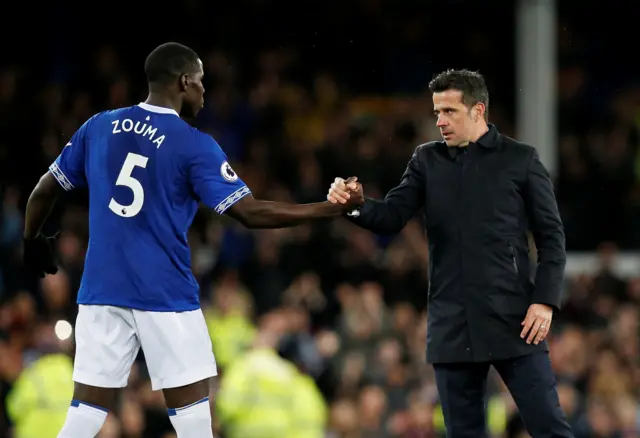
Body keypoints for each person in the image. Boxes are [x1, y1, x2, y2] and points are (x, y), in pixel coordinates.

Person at [22, 42, 362, 438]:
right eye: (201, 83)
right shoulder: (192, 143)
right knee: (195, 424)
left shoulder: (98, 126)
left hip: (101, 291)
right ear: (184, 82)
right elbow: (249, 213)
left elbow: (45, 189)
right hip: (164, 295)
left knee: (85, 415)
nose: (204, 92)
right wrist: (328, 209)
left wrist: (33, 237)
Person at [327, 69, 574, 437]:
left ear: (478, 111)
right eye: (436, 112)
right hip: (452, 325)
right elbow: (393, 215)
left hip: (514, 319)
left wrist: (545, 300)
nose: (439, 121)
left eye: (449, 112)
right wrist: (355, 205)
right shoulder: (427, 161)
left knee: (549, 427)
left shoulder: (520, 160)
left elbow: (552, 238)